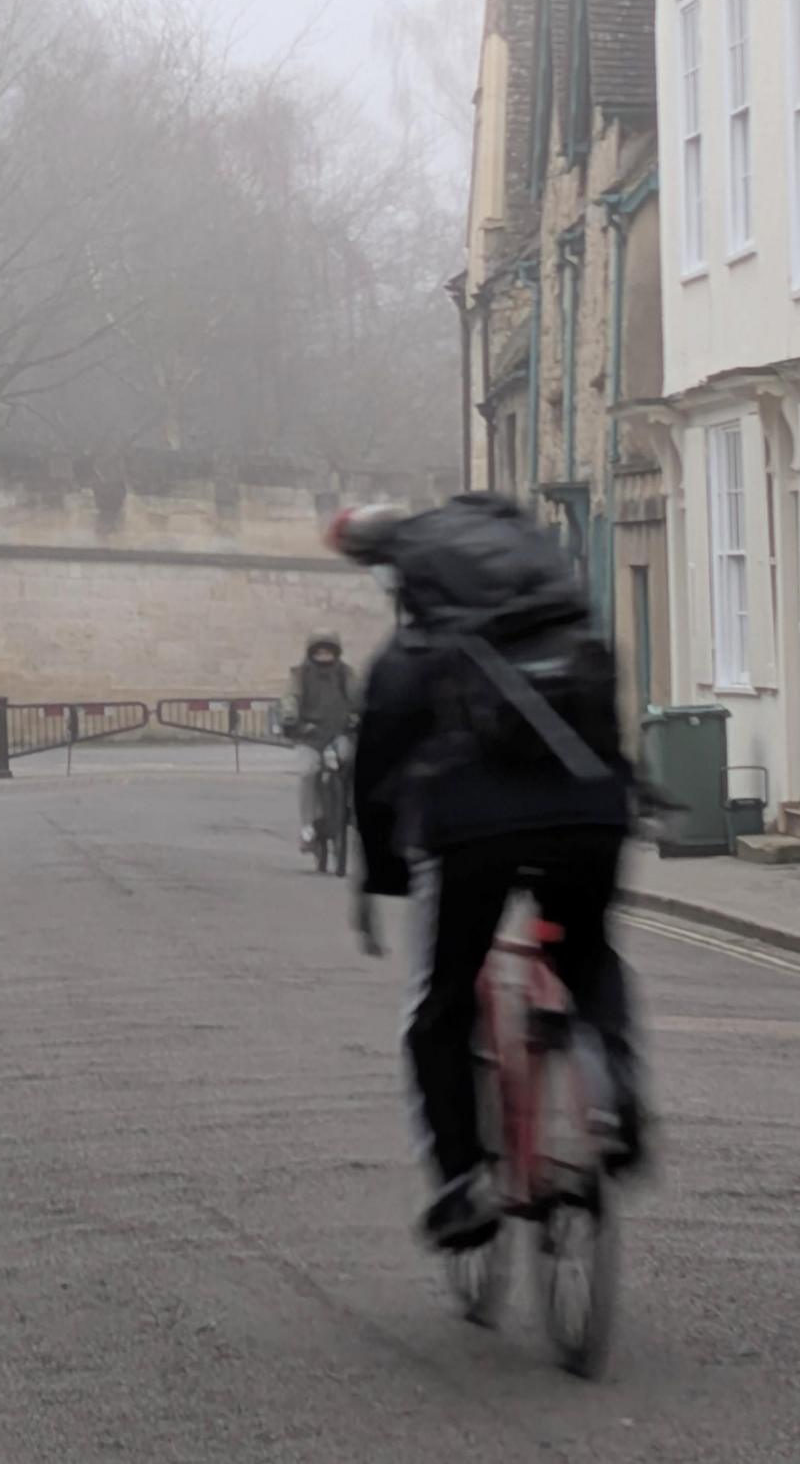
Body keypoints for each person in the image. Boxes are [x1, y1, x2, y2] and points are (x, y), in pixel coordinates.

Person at [333, 494, 646, 1254]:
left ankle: (461, 1180)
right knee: (586, 950)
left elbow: (376, 769)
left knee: (439, 1006)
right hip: (591, 809)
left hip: (474, 828)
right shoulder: (573, 629)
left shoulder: (416, 653)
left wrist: (382, 876)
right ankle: (611, 1080)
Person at [284, 633, 357, 857]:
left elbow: (358, 697)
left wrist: (362, 716)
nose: (324, 656)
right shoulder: (301, 674)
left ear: (336, 652)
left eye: (328, 651)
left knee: (353, 762)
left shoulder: (346, 673)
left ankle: (353, 810)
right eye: (319, 651)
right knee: (307, 772)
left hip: (339, 734)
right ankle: (307, 827)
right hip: (310, 736)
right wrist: (290, 718)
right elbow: (291, 698)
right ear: (311, 652)